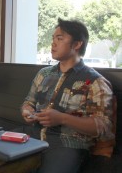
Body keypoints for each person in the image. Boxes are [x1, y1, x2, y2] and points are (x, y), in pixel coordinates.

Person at [20, 18, 115, 173]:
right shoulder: (43, 74)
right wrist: (27, 111)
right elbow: (28, 102)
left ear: (77, 45)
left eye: (60, 38)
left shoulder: (95, 82)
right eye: (53, 38)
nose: (53, 43)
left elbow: (103, 126)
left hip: (68, 144)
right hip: (33, 136)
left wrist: (62, 118)